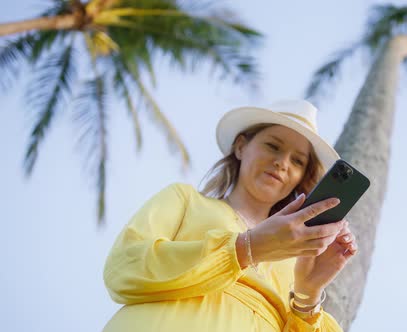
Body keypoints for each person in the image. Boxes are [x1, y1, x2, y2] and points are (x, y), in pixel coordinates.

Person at [102, 99, 358, 331]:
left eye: (298, 161)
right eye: (273, 146)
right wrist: (248, 248)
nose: (283, 162)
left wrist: (308, 293)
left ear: (302, 176)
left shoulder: (298, 257)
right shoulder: (185, 199)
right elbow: (125, 266)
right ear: (240, 147)